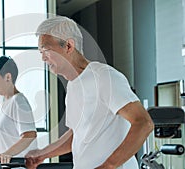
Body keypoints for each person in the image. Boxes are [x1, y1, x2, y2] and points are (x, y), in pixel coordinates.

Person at [25, 16, 154, 169]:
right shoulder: (73, 87)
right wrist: (43, 154)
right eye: (40, 52)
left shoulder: (104, 77)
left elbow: (143, 123)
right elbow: (78, 135)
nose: (43, 58)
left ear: (68, 46)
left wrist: (108, 166)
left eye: (46, 50)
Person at [0, 56, 37, 164]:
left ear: (8, 77)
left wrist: (8, 153)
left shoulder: (19, 101)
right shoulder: (7, 103)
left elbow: (29, 135)